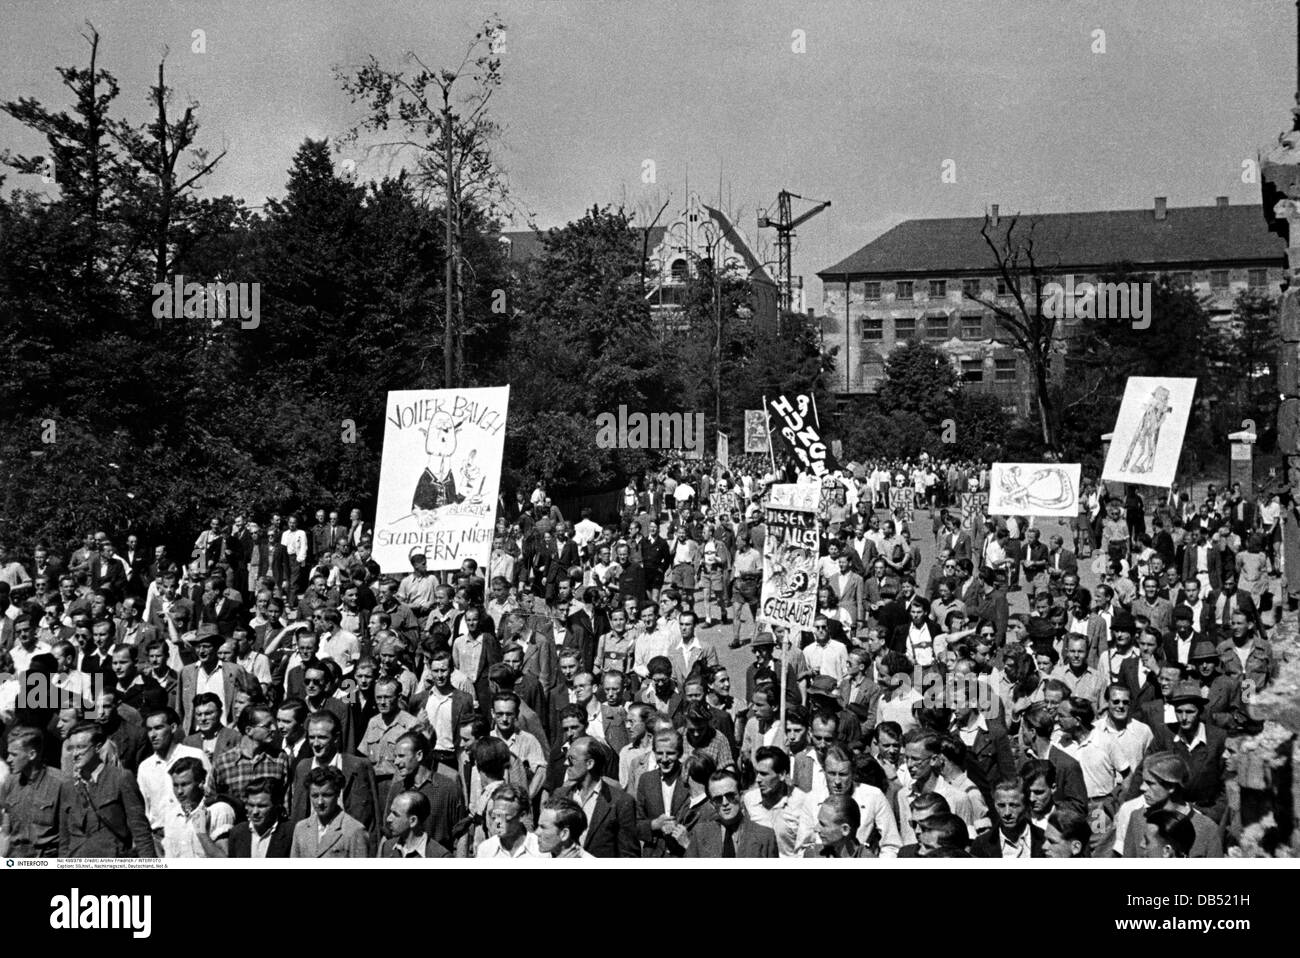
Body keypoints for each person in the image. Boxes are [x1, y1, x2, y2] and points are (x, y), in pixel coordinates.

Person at [57, 721, 156, 857]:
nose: (74, 754)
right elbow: (64, 840)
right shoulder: (68, 787)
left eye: (80, 747)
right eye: (71, 748)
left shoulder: (120, 778)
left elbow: (140, 831)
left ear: (97, 747)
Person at [552, 736, 638, 857]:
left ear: (590, 763)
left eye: (571, 759)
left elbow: (629, 855)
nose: (566, 763)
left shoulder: (620, 802)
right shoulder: (560, 795)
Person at [0, 726, 65, 858]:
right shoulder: (10, 783)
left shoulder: (61, 784)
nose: (8, 759)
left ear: (32, 755)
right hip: (16, 858)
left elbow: (69, 834)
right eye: (8, 754)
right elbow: (6, 831)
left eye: (14, 755)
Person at [684, 767, 778, 858]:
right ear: (712, 804)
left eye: (730, 796)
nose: (725, 803)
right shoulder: (700, 834)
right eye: (718, 799)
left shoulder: (765, 837)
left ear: (741, 797)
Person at [290, 765, 371, 858]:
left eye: (326, 795)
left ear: (338, 794)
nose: (320, 802)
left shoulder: (354, 830)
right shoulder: (301, 829)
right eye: (315, 796)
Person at [162, 756, 235, 857]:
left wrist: (202, 833)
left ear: (201, 782)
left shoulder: (219, 810)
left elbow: (224, 859)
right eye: (175, 785)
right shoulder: (171, 817)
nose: (179, 792)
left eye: (184, 785)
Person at [971, 778, 1043, 857]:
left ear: (1027, 806)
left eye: (1014, 805)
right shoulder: (981, 845)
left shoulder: (1045, 840)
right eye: (1001, 806)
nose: (1007, 813)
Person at [227, 777, 293, 857]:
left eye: (261, 806)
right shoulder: (237, 833)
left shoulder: (291, 833)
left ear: (276, 805)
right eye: (251, 805)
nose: (255, 812)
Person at [475, 785, 543, 858]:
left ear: (522, 816)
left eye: (504, 816)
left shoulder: (540, 850)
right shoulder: (485, 850)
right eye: (495, 815)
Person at [381, 789, 451, 858]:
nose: (388, 819)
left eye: (395, 814)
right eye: (391, 812)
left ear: (413, 821)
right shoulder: (388, 847)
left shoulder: (440, 856)